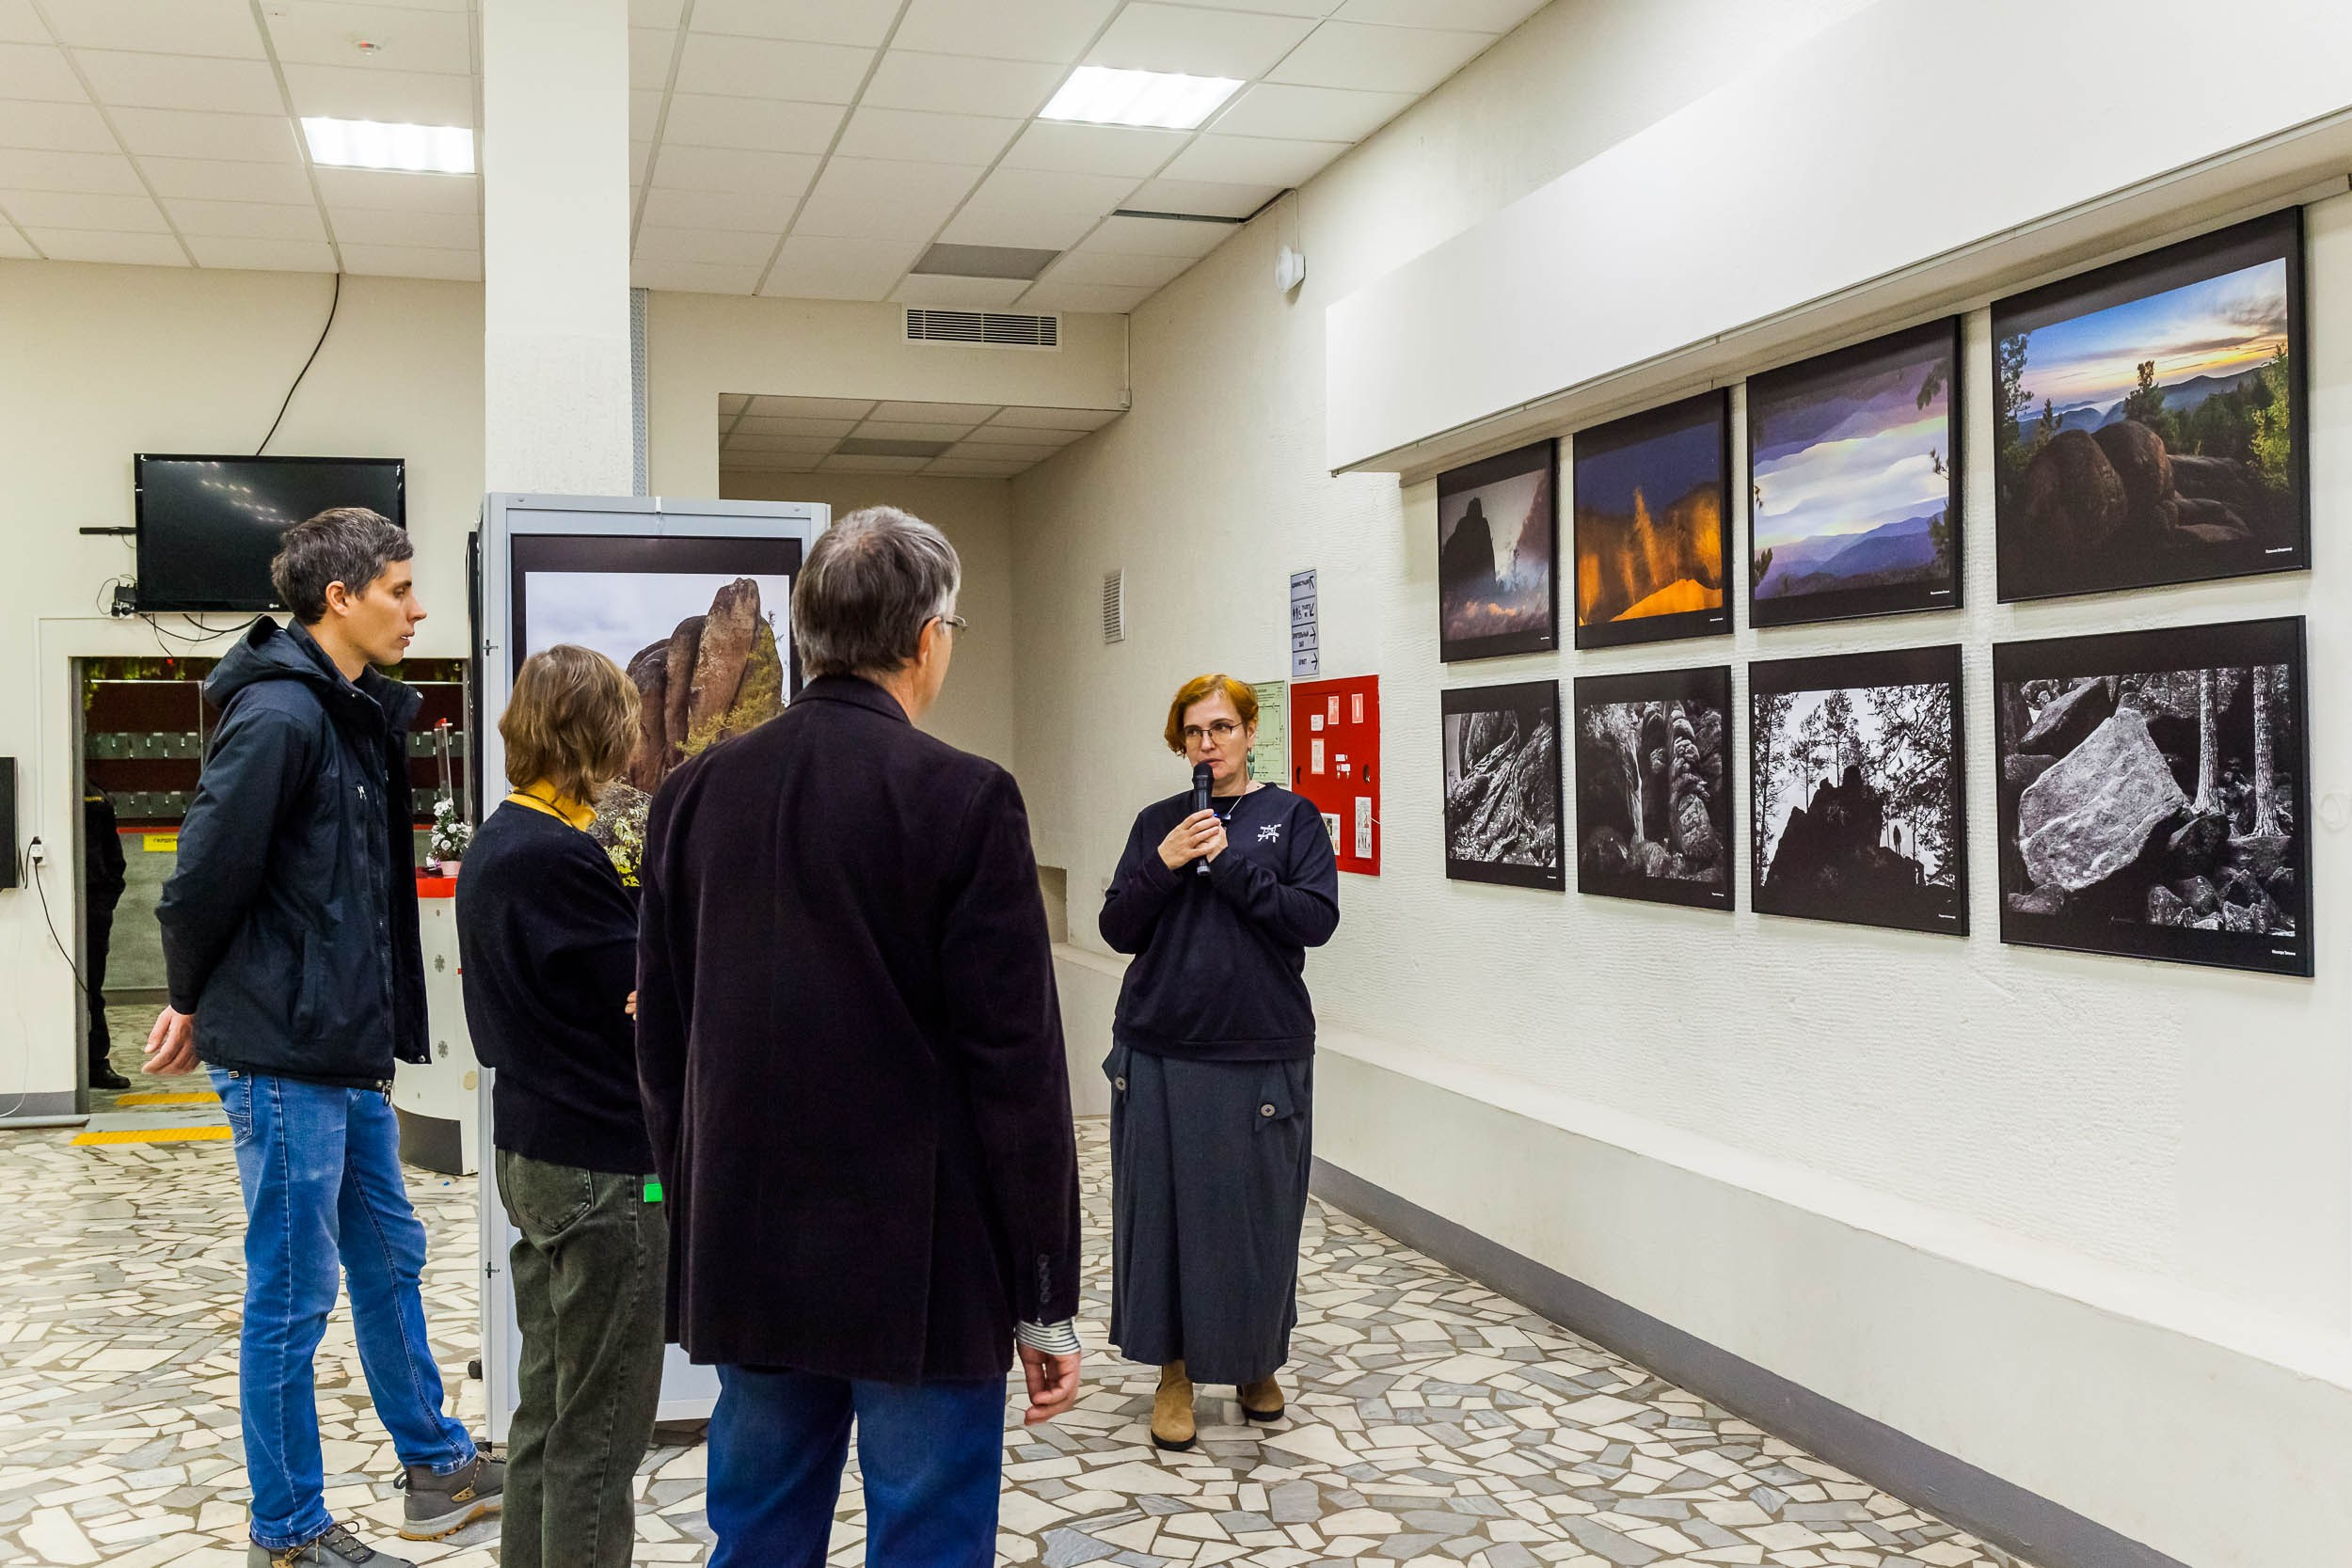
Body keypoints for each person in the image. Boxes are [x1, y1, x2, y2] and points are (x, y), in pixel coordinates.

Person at [636, 505, 1083, 1568]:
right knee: (927, 1540)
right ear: (928, 636)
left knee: (756, 1538)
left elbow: (663, 1046)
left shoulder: (692, 796)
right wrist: (1044, 1296)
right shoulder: (965, 798)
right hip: (921, 1265)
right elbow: (1014, 1068)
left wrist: (684, 1210)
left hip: (745, 1247)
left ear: (804, 636)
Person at [148, 508, 501, 1568]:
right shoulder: (281, 718)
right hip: (285, 1052)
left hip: (341, 1051)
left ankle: (436, 1462)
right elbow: (202, 874)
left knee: (390, 1256)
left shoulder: (344, 713)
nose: (419, 605)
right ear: (338, 598)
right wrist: (190, 990)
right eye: (401, 587)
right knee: (292, 1295)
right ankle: (288, 1531)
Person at [456, 644, 665, 1568]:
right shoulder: (560, 860)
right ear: (602, 735)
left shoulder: (499, 840)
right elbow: (641, 1000)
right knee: (602, 1431)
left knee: (545, 1411)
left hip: (534, 1150)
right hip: (605, 1165)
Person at [1097, 673, 1340, 1452]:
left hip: (1259, 1047)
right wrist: (1165, 862)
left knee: (1256, 1215)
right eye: (1195, 731)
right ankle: (1174, 1371)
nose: (1210, 743)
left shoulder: (1291, 817)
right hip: (1160, 1044)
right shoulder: (1157, 823)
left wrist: (1231, 864)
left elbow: (1316, 917)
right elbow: (1116, 927)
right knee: (1163, 1218)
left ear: (1249, 732)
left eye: (1223, 727)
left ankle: (1254, 1360)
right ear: (1181, 743)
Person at [83, 773, 129, 1091]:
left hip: (93, 903)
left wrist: (106, 898)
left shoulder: (95, 794)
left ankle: (96, 1062)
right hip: (53, 906)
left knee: (91, 988)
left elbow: (114, 856)